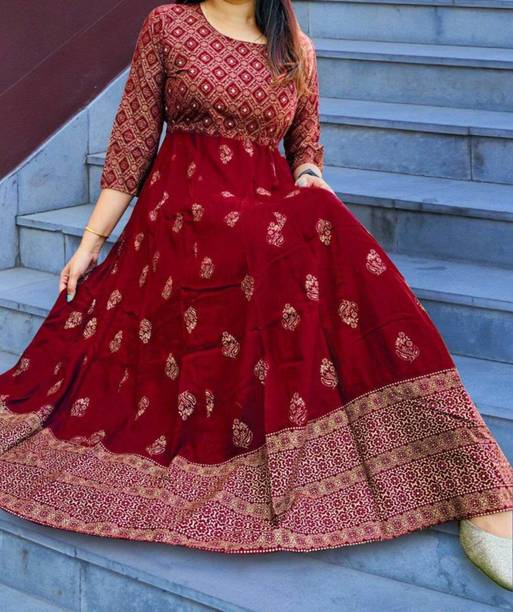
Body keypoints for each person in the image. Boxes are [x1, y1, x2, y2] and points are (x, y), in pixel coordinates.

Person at [0, 0, 511, 589]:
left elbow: (306, 148)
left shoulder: (296, 47)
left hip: (263, 217)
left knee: (323, 221)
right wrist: (92, 241)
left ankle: (474, 477)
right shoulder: (168, 24)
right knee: (306, 236)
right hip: (185, 217)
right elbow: (133, 139)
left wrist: (310, 176)